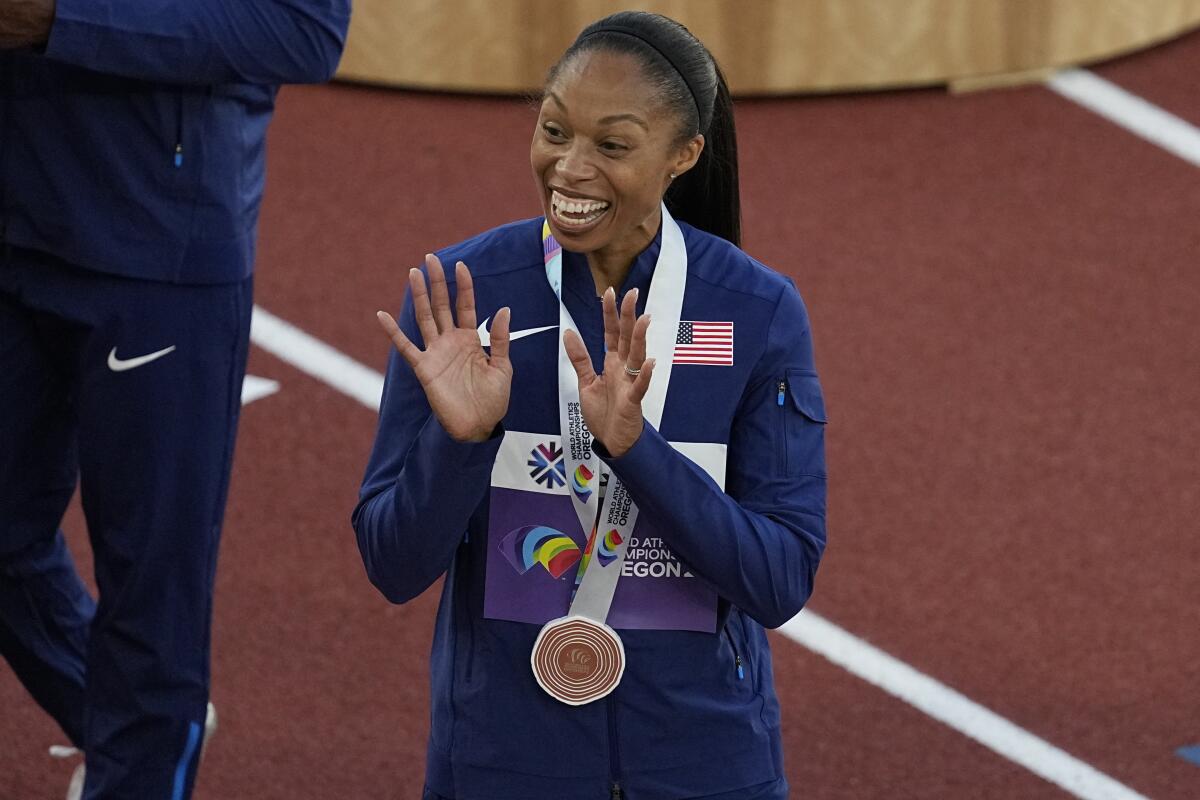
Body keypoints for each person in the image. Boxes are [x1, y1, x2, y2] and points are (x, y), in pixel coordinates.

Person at [354, 11, 827, 799]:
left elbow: (779, 582)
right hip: (503, 763)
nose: (569, 169)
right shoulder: (467, 300)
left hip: (703, 762)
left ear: (684, 155)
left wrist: (638, 451)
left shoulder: (752, 310)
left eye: (612, 146)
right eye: (553, 131)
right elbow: (394, 567)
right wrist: (460, 442)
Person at [0, 1, 350, 797]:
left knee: (151, 604)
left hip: (156, 250)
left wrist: (59, 20)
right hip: (15, 218)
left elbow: (301, 28)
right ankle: (129, 730)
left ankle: (140, 756)